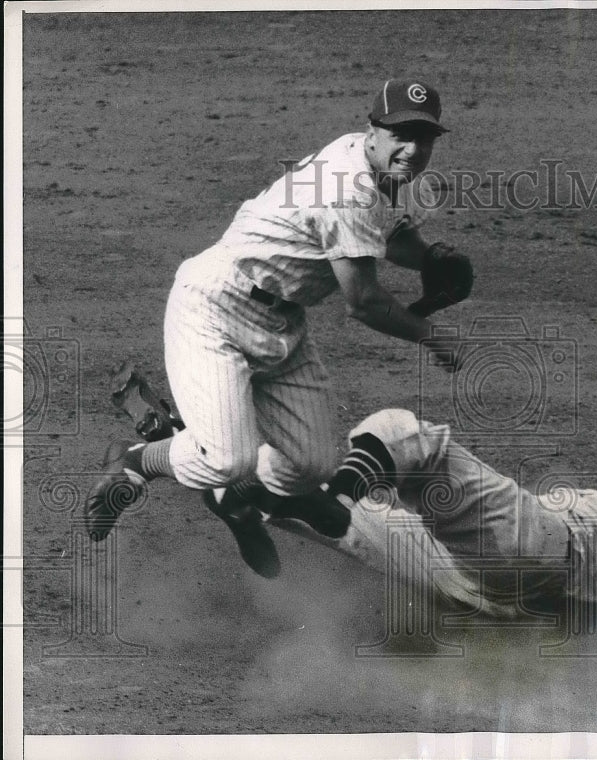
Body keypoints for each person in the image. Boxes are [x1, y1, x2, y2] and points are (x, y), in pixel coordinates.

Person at [86, 79, 472, 579]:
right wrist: (433, 336)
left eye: (424, 137)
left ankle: (236, 500)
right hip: (216, 305)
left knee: (310, 467)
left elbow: (389, 230)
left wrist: (429, 258)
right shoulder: (346, 188)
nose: (413, 149)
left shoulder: (377, 167)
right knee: (227, 457)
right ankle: (138, 461)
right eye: (401, 134)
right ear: (372, 129)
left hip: (282, 320)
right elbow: (364, 302)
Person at [324, 408, 597, 608]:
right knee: (345, 517)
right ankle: (283, 500)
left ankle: (344, 486)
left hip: (539, 546)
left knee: (409, 434)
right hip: (485, 586)